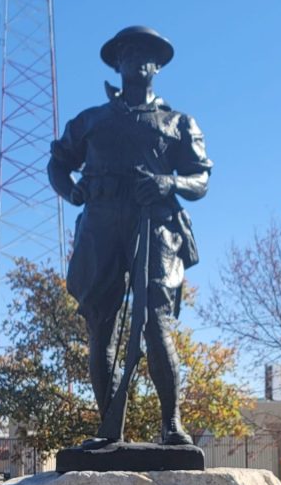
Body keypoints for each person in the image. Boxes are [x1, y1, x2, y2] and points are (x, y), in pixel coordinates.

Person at [48, 25, 212, 446]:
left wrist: (169, 184)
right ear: (117, 62)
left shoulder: (178, 122)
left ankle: (171, 425)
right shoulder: (90, 120)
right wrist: (72, 190)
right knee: (100, 327)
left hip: (154, 223)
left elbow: (200, 179)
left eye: (147, 53)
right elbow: (58, 164)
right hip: (100, 223)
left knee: (155, 324)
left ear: (157, 66)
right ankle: (109, 430)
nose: (138, 59)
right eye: (129, 52)